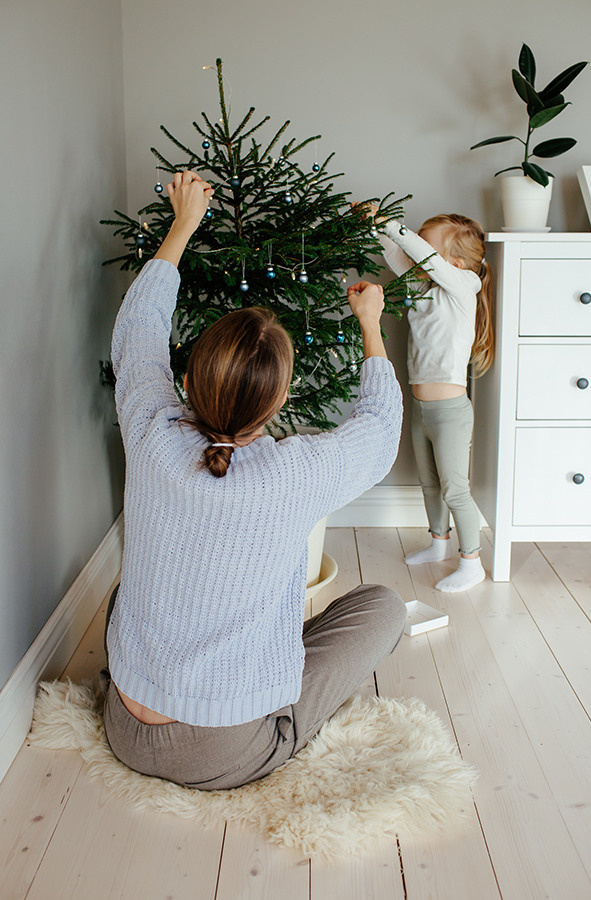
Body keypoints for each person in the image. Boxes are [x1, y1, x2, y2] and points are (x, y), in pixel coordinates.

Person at [102, 170, 406, 790]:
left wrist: (183, 224)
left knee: (125, 597)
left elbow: (138, 332)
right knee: (384, 609)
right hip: (222, 752)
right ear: (280, 401)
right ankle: (274, 721)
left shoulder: (150, 426)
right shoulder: (296, 471)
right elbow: (378, 429)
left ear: (187, 382)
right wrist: (371, 325)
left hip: (123, 725)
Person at [377, 211, 493, 592]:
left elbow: (421, 257)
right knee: (428, 483)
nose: (417, 257)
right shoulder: (425, 288)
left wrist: (395, 226)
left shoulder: (464, 287)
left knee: (454, 488)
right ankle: (438, 543)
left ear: (455, 263)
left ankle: (471, 562)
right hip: (421, 409)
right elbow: (400, 257)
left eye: (426, 247)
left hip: (450, 413)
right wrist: (375, 226)